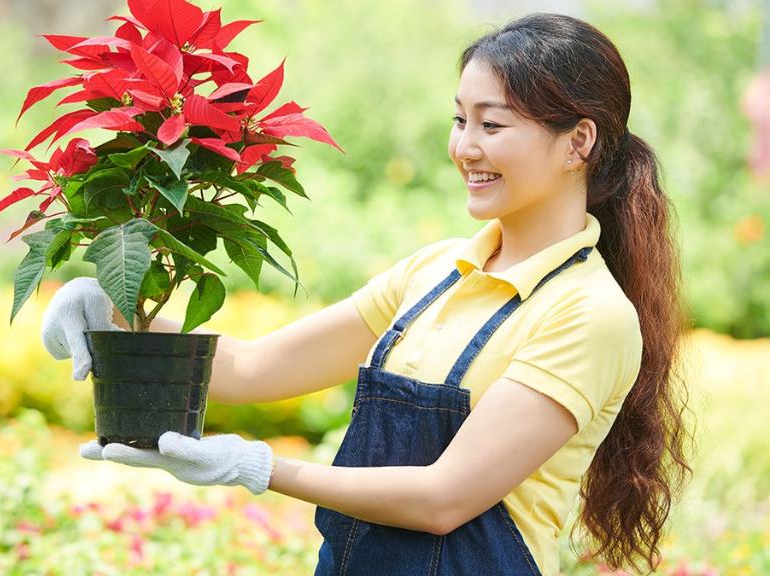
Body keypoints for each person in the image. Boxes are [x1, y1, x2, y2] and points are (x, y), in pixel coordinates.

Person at [41, 12, 692, 576]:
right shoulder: (434, 272)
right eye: (459, 119)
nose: (464, 147)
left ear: (578, 141)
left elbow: (443, 500)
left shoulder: (587, 314)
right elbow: (253, 367)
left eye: (491, 125)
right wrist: (110, 317)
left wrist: (255, 467)